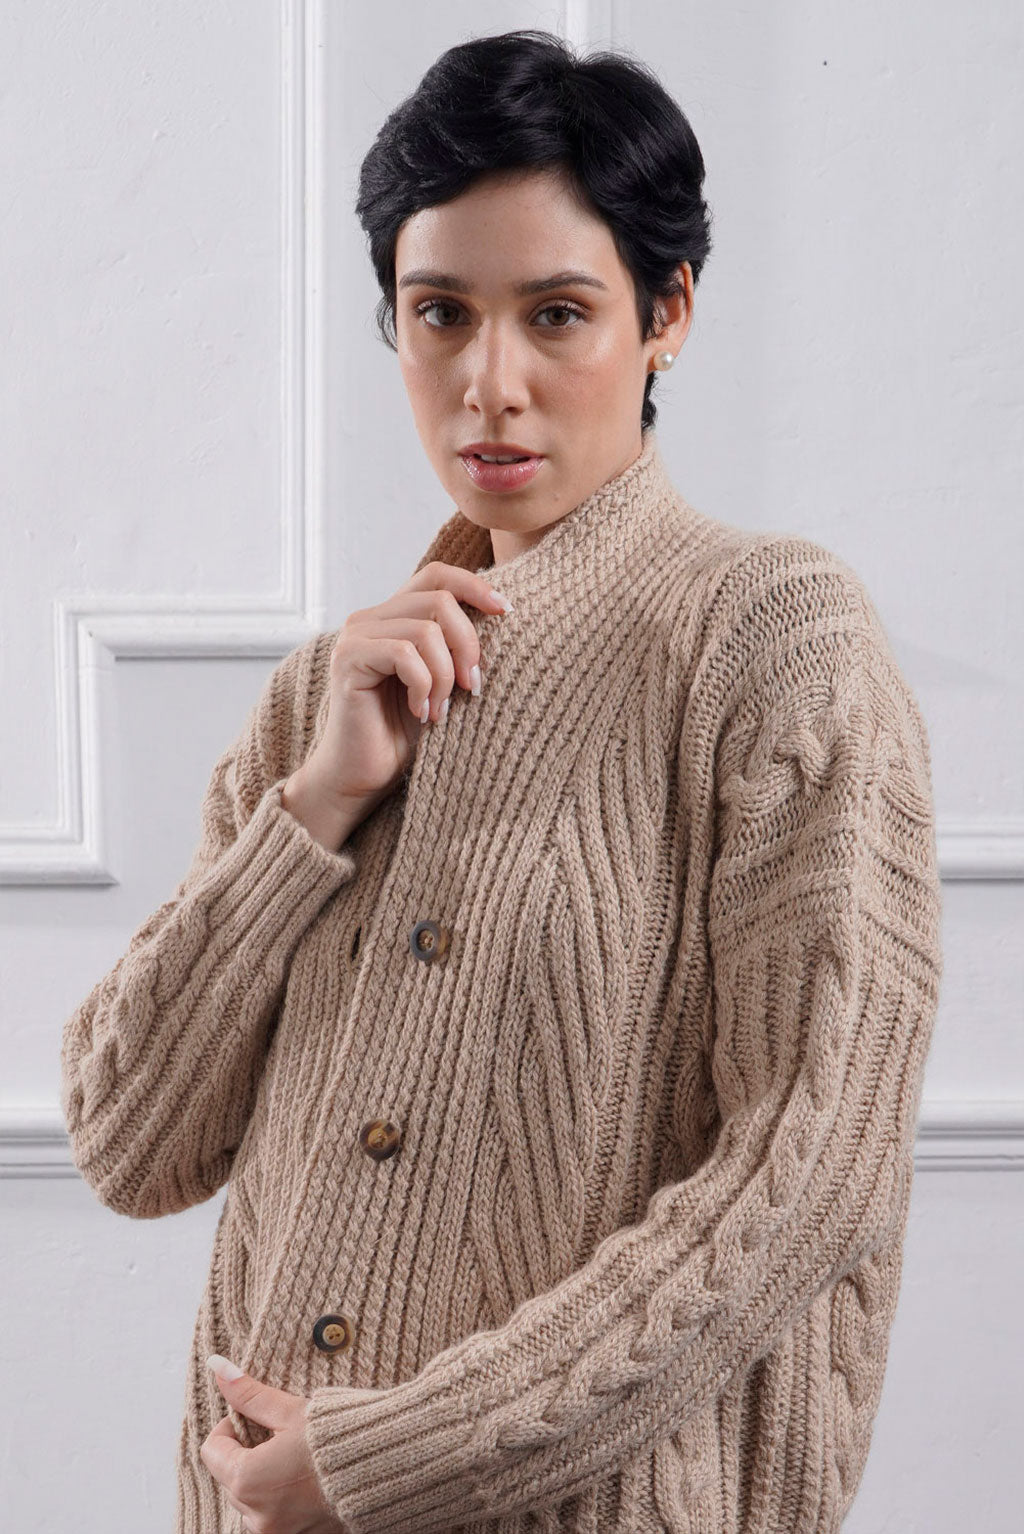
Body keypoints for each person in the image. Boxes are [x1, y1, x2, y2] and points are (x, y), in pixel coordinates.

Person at [59, 28, 944, 1534]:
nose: (490, 385)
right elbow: (128, 1143)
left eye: (557, 314)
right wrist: (317, 806)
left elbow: (810, 1174)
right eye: (440, 314)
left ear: (669, 314)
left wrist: (388, 1456)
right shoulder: (323, 694)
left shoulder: (771, 641)